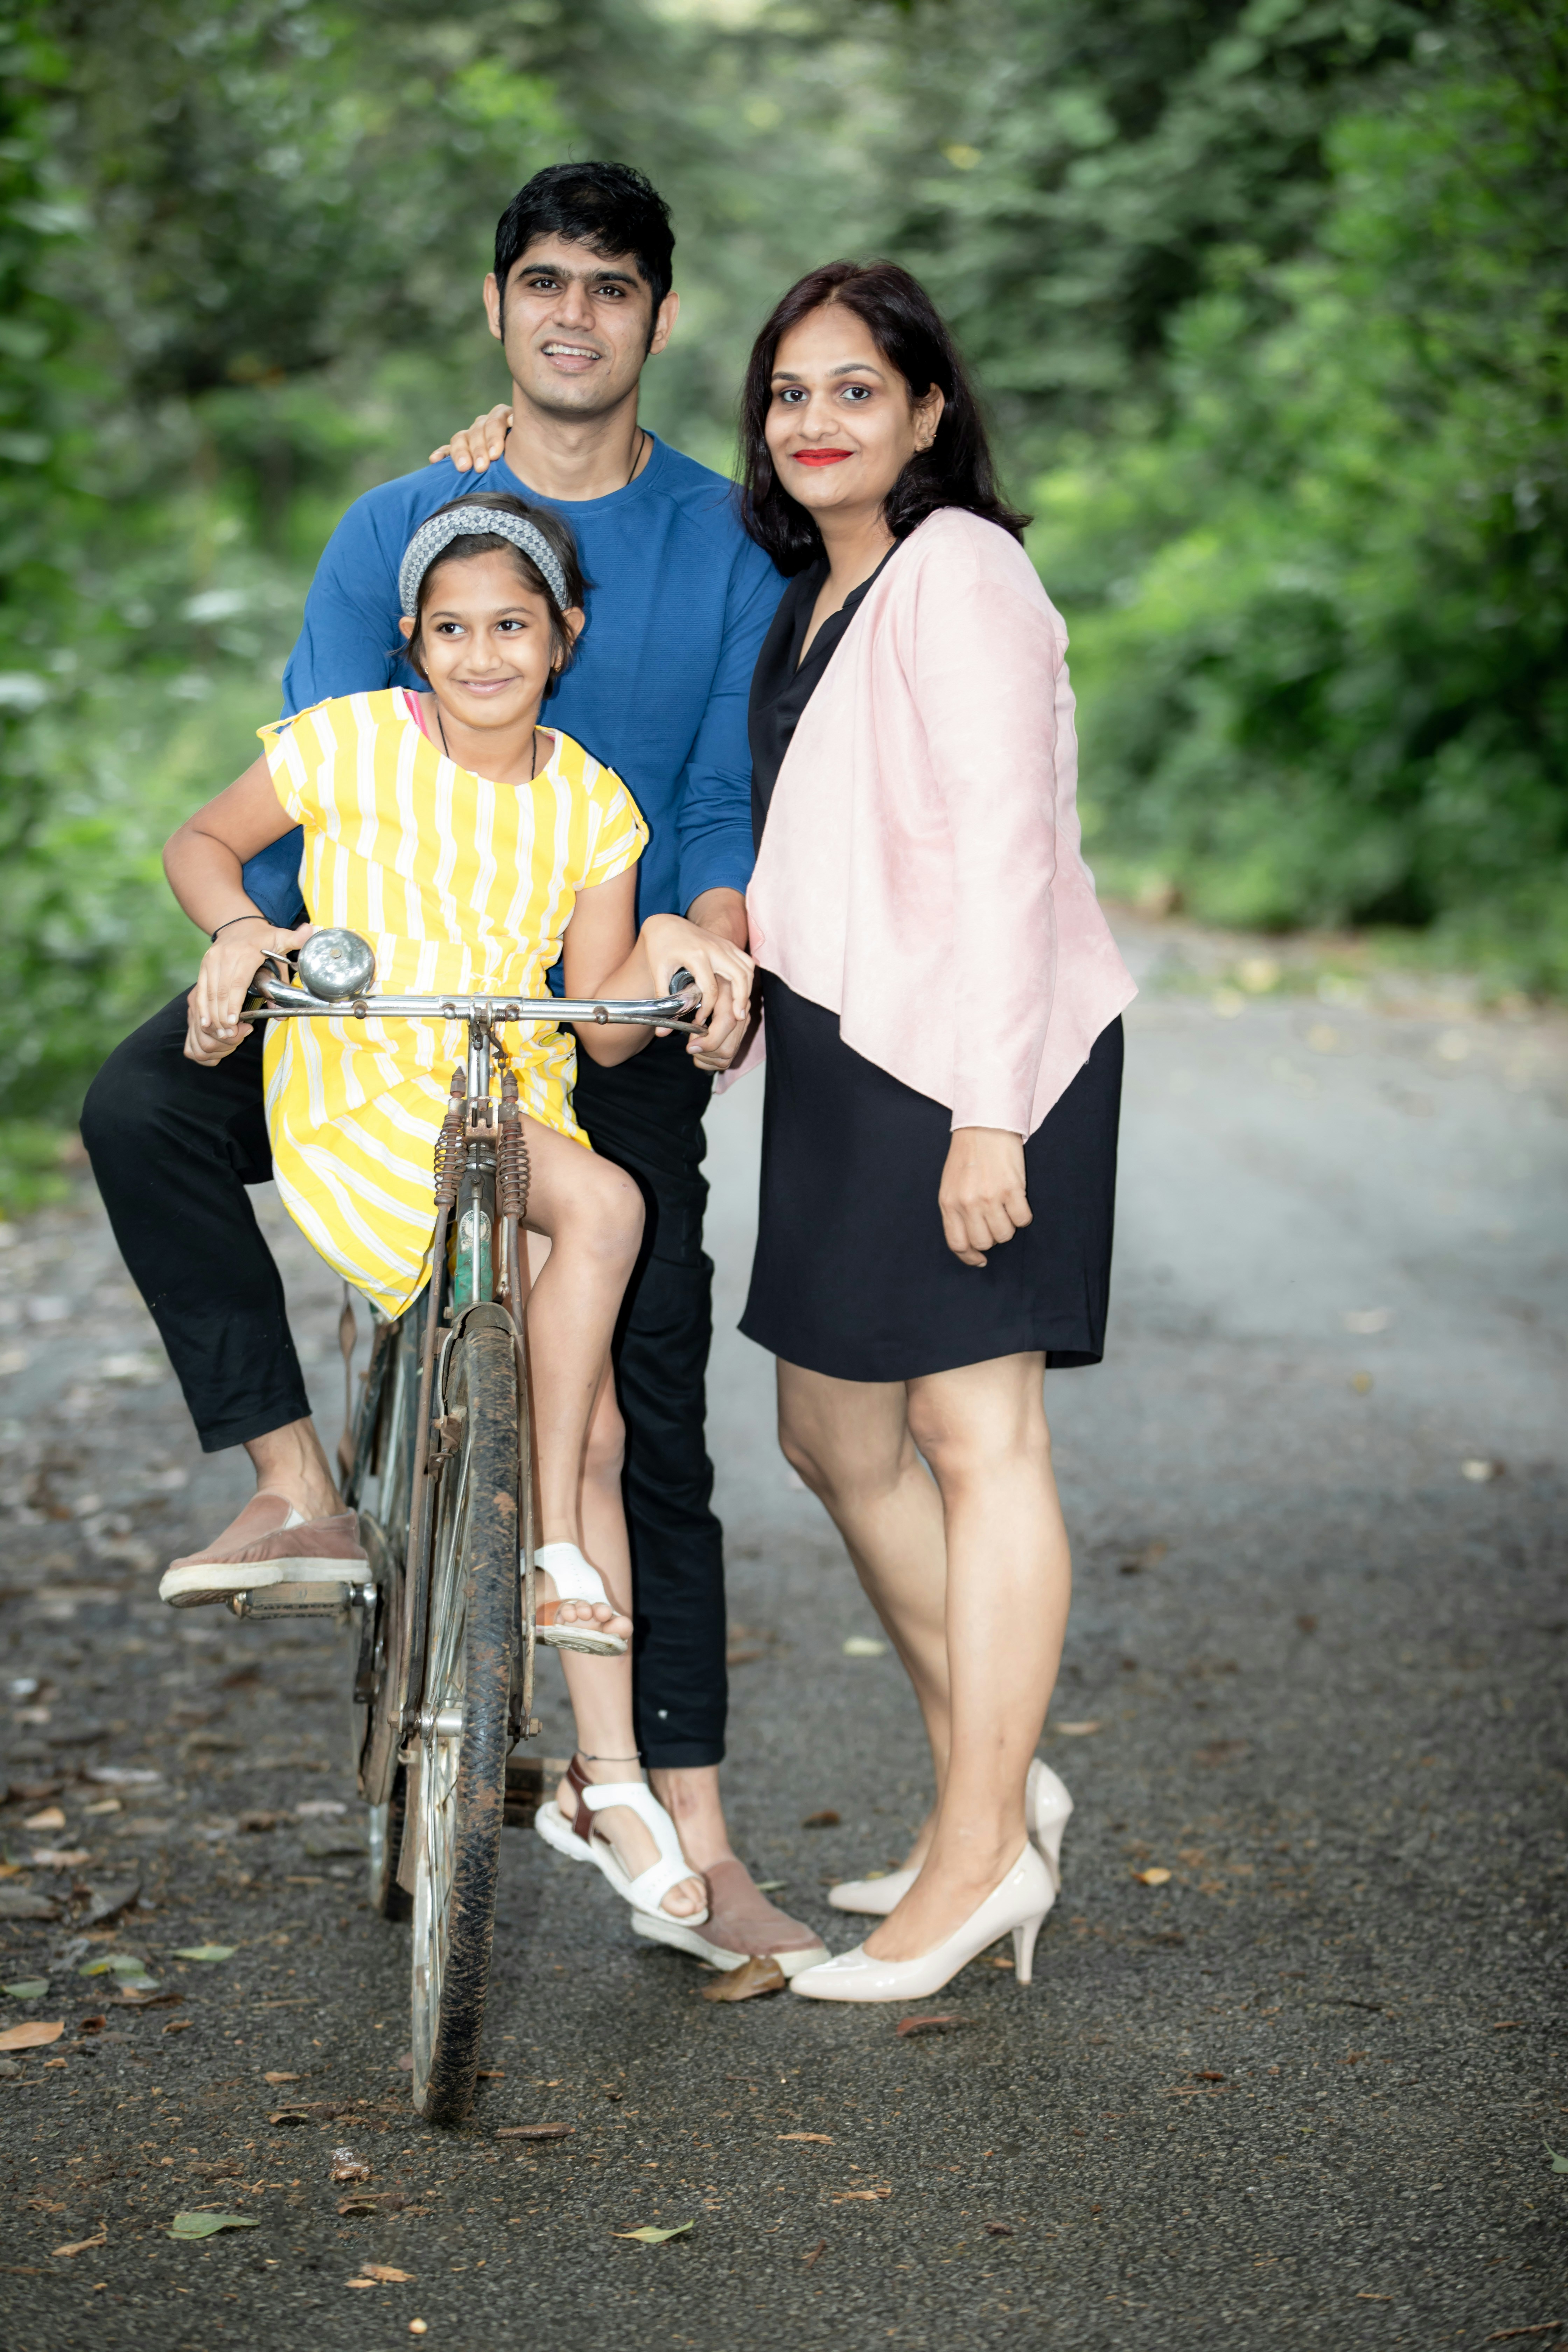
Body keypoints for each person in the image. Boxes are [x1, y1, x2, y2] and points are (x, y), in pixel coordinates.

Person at [80, 161, 827, 1978]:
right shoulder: (397, 523)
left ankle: (683, 1831)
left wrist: (707, 945)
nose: (576, 314)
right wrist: (246, 949)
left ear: (660, 315)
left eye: (614, 287)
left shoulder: (728, 543)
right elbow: (336, 771)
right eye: (545, 283)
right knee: (136, 1110)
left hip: (593, 977)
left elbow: (716, 806)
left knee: (648, 1396)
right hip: (365, 996)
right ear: (498, 306)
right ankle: (295, 1479)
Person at [158, 497, 758, 1925]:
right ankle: (547, 1545)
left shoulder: (596, 803)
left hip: (510, 1090)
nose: (479, 654)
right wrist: (243, 925)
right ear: (411, 642)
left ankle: (606, 1780)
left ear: (565, 638)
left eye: (510, 626)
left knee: (603, 1421)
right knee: (608, 1204)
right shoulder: (355, 739)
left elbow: (607, 1028)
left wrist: (672, 936)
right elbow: (202, 840)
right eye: (449, 629)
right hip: (370, 1083)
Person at [727, 261, 1137, 2002]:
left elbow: (1003, 856)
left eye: (853, 389)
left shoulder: (959, 570)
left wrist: (992, 1118)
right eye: (789, 393)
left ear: (926, 410)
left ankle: (976, 1860)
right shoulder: (811, 589)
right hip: (844, 1051)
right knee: (829, 1432)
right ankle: (998, 1766)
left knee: (981, 1444)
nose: (816, 420)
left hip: (973, 1058)